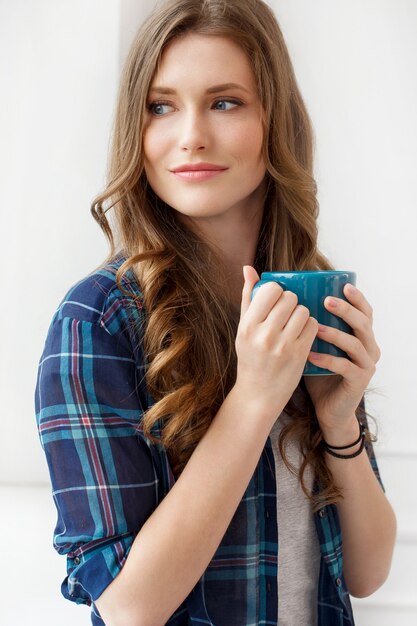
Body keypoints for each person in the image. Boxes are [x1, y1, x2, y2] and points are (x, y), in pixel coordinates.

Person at [34, 1, 397, 625]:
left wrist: (340, 423)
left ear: (275, 121)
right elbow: (129, 607)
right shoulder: (96, 321)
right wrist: (254, 399)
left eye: (225, 102)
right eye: (161, 105)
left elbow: (367, 573)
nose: (191, 135)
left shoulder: (304, 297)